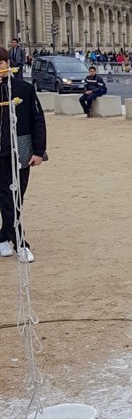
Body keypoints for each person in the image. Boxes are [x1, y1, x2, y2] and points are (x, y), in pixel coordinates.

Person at [0, 47, 47, 262]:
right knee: (5, 197)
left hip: (21, 149)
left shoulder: (25, 89)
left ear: (7, 63)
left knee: (17, 195)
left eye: (1, 63)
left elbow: (38, 121)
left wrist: (38, 151)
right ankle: (19, 242)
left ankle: (3, 236)